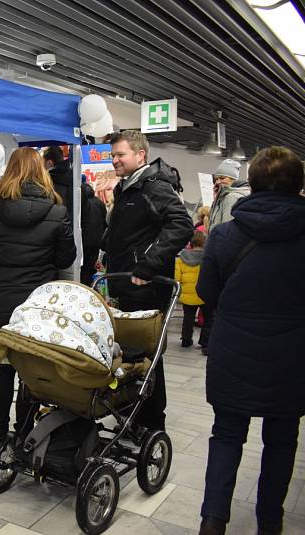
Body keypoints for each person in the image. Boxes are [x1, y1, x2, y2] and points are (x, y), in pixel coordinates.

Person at [196, 147, 305, 535]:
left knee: (226, 435)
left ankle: (213, 520)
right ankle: (270, 522)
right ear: (299, 185)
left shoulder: (225, 235)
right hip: (292, 355)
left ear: (252, 184)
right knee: (281, 439)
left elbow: (207, 291)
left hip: (233, 350)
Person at [0, 147, 76, 438]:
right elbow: (65, 259)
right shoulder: (56, 210)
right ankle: (24, 432)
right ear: (42, 170)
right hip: (36, 305)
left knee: (2, 368)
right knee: (32, 374)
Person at [103, 130, 193, 431]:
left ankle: (153, 422)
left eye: (120, 155)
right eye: (113, 155)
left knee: (147, 356)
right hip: (123, 283)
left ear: (140, 155)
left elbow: (181, 225)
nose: (115, 159)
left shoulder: (153, 187)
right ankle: (132, 416)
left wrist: (148, 265)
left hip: (145, 286)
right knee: (130, 355)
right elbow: (134, 230)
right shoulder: (127, 187)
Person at [175, 231, 212, 353]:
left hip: (187, 294)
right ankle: (205, 343)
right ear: (204, 243)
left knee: (188, 318)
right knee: (208, 319)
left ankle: (186, 340)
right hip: (204, 293)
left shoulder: (180, 259)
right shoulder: (207, 258)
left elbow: (177, 278)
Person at [209, 159, 249, 228]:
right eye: (216, 179)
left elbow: (227, 230)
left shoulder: (232, 197)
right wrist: (216, 199)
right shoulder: (227, 196)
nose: (218, 182)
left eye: (222, 178)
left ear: (233, 179)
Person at [80, 181, 107, 285]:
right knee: (89, 268)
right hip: (96, 241)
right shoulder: (99, 202)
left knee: (81, 269)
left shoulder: (81, 204)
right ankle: (89, 286)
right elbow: (105, 222)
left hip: (83, 241)